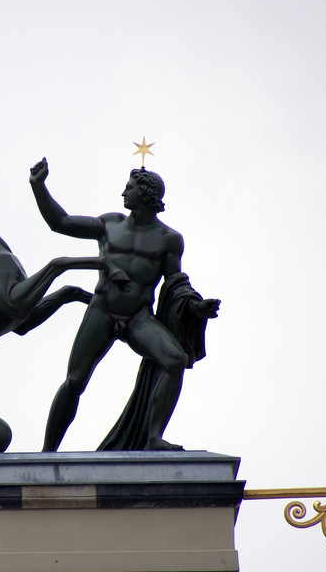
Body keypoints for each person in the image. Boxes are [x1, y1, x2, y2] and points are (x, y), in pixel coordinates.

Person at [29, 157, 220, 451]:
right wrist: (39, 186)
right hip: (102, 310)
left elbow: (175, 283)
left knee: (175, 360)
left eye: (129, 187)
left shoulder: (169, 239)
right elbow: (61, 222)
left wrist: (196, 307)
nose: (123, 193)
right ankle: (47, 452)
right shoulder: (109, 224)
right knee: (75, 381)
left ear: (145, 194)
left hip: (138, 317)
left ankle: (153, 438)